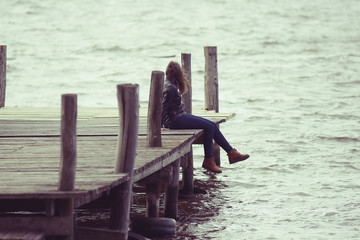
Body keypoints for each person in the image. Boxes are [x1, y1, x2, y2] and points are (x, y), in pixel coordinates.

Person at [161, 61, 249, 173]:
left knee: (212, 124)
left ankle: (231, 153)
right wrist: (161, 125)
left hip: (178, 117)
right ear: (178, 73)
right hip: (174, 120)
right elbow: (163, 107)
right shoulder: (170, 88)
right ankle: (209, 160)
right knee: (209, 127)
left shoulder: (171, 84)